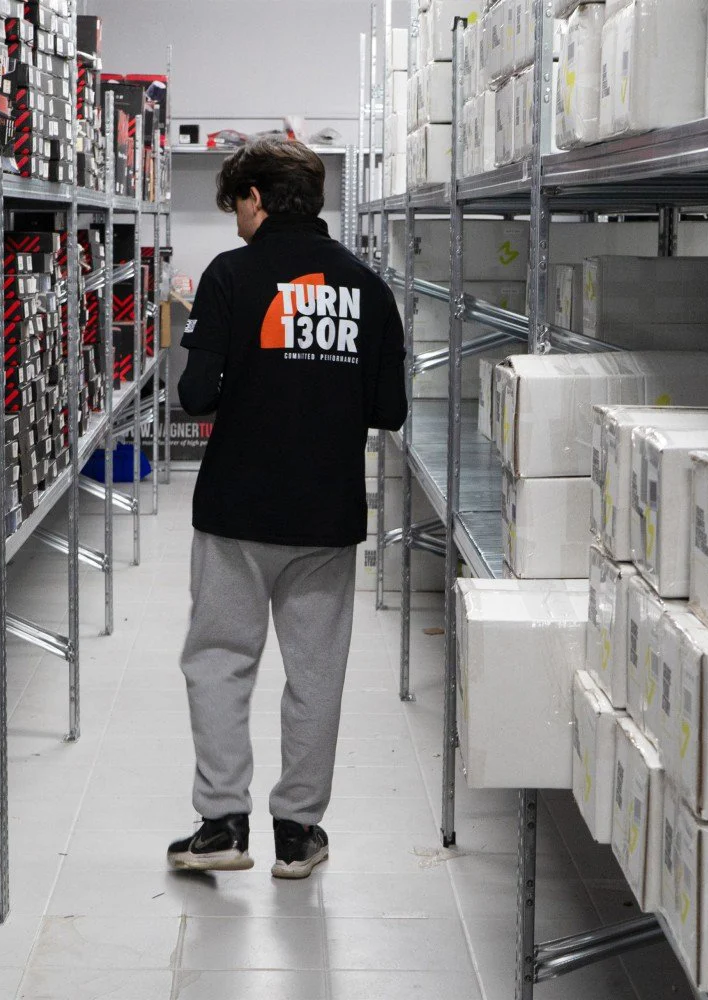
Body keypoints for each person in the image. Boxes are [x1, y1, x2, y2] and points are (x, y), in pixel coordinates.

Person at [166, 137, 408, 880]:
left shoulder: (230, 275)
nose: (237, 221)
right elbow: (390, 410)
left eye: (236, 205)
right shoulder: (369, 288)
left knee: (219, 660)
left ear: (256, 198)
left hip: (236, 509)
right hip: (326, 513)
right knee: (316, 672)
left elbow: (194, 395)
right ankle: (298, 834)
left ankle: (222, 826)